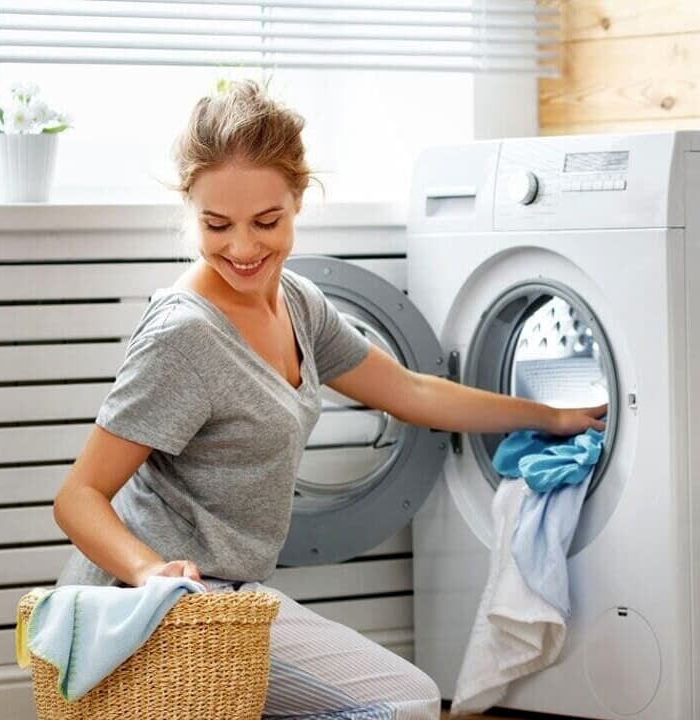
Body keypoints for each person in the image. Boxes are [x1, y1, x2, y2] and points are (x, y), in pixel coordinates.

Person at [52, 80, 605, 719]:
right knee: (407, 701)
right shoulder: (185, 336)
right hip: (150, 608)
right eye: (216, 225)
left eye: (266, 222)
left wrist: (551, 416)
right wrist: (152, 573)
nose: (242, 248)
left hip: (229, 601)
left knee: (404, 699)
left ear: (299, 198)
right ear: (190, 209)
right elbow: (78, 497)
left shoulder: (297, 302)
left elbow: (410, 391)